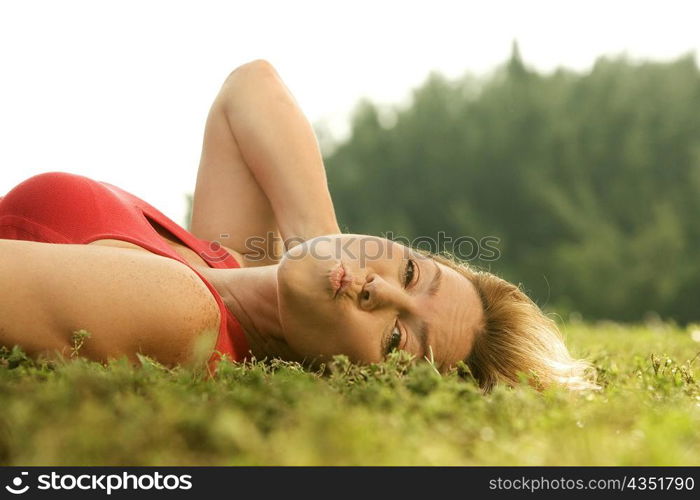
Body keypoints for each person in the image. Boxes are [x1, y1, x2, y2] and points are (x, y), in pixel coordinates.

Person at [0, 60, 596, 392]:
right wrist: (321, 242)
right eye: (412, 272)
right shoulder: (228, 268)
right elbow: (250, 91)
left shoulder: (188, 313)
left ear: (360, 382)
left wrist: (324, 257)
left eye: (396, 341)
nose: (379, 289)